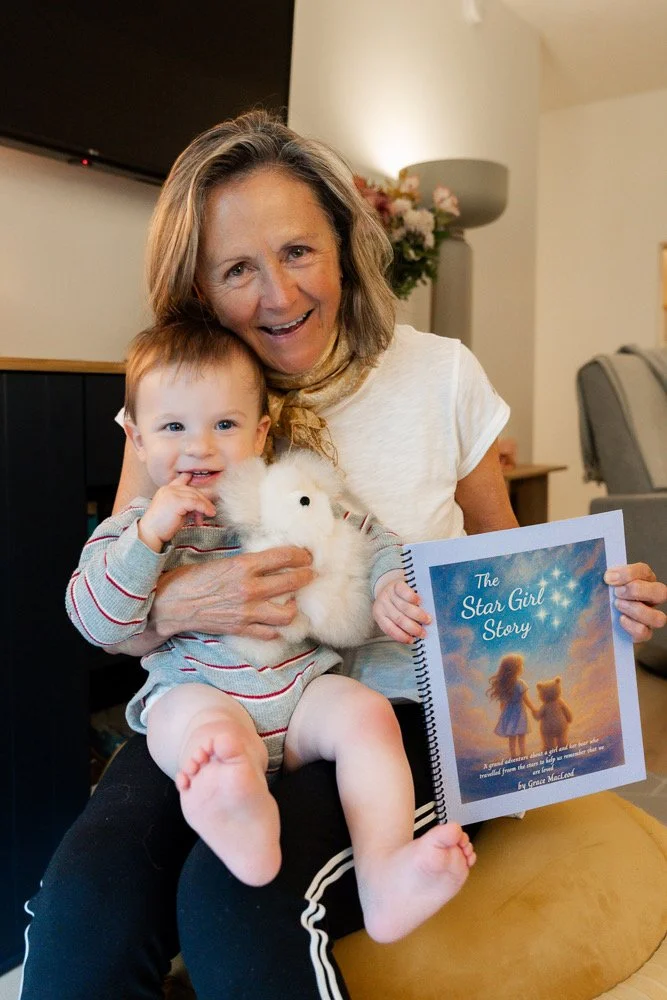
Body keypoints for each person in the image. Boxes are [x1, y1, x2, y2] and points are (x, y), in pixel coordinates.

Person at [20, 111, 667, 1000]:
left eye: (297, 252)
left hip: (398, 707)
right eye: (238, 269)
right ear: (200, 288)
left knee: (234, 903)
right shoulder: (180, 403)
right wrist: (187, 602)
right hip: (210, 700)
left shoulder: (440, 375)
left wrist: (589, 599)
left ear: (343, 246)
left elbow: (502, 546)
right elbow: (113, 620)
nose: (278, 296)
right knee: (80, 914)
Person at [66, 317, 475, 941]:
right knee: (209, 733)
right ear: (140, 441)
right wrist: (150, 535)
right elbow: (96, 616)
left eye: (224, 425)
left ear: (260, 434)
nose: (199, 447)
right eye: (173, 427)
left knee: (369, 716)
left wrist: (391, 584)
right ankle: (238, 810)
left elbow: (372, 540)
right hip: (196, 691)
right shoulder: (134, 530)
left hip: (300, 688)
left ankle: (385, 876)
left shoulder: (288, 497)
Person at [487, 653, 537, 758]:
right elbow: (526, 700)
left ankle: (513, 755)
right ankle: (523, 754)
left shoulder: (504, 685)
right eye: (520, 665)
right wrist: (533, 709)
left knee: (512, 736)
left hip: (509, 712)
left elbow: (502, 703)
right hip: (519, 711)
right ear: (516, 668)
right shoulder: (520, 683)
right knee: (521, 734)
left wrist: (503, 714)